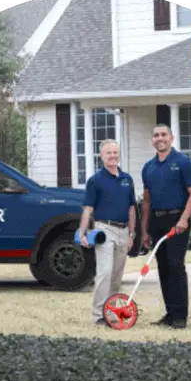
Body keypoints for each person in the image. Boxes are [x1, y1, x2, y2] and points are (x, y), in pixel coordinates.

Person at [141, 123, 191, 329]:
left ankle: (180, 317)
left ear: (171, 138)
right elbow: (146, 201)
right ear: (152, 140)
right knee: (164, 268)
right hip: (156, 221)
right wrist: (145, 230)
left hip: (177, 220)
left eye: (163, 134)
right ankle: (170, 313)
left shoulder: (183, 162)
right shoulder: (148, 167)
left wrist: (184, 219)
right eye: (156, 135)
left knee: (176, 266)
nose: (160, 138)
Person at [78, 139, 137, 326]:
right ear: (101, 156)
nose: (112, 156)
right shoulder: (95, 181)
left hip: (123, 230)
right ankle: (98, 315)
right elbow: (88, 209)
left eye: (115, 152)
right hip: (104, 229)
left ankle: (111, 313)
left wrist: (132, 234)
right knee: (104, 272)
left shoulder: (127, 179)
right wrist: (82, 233)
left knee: (117, 276)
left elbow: (131, 209)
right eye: (108, 153)